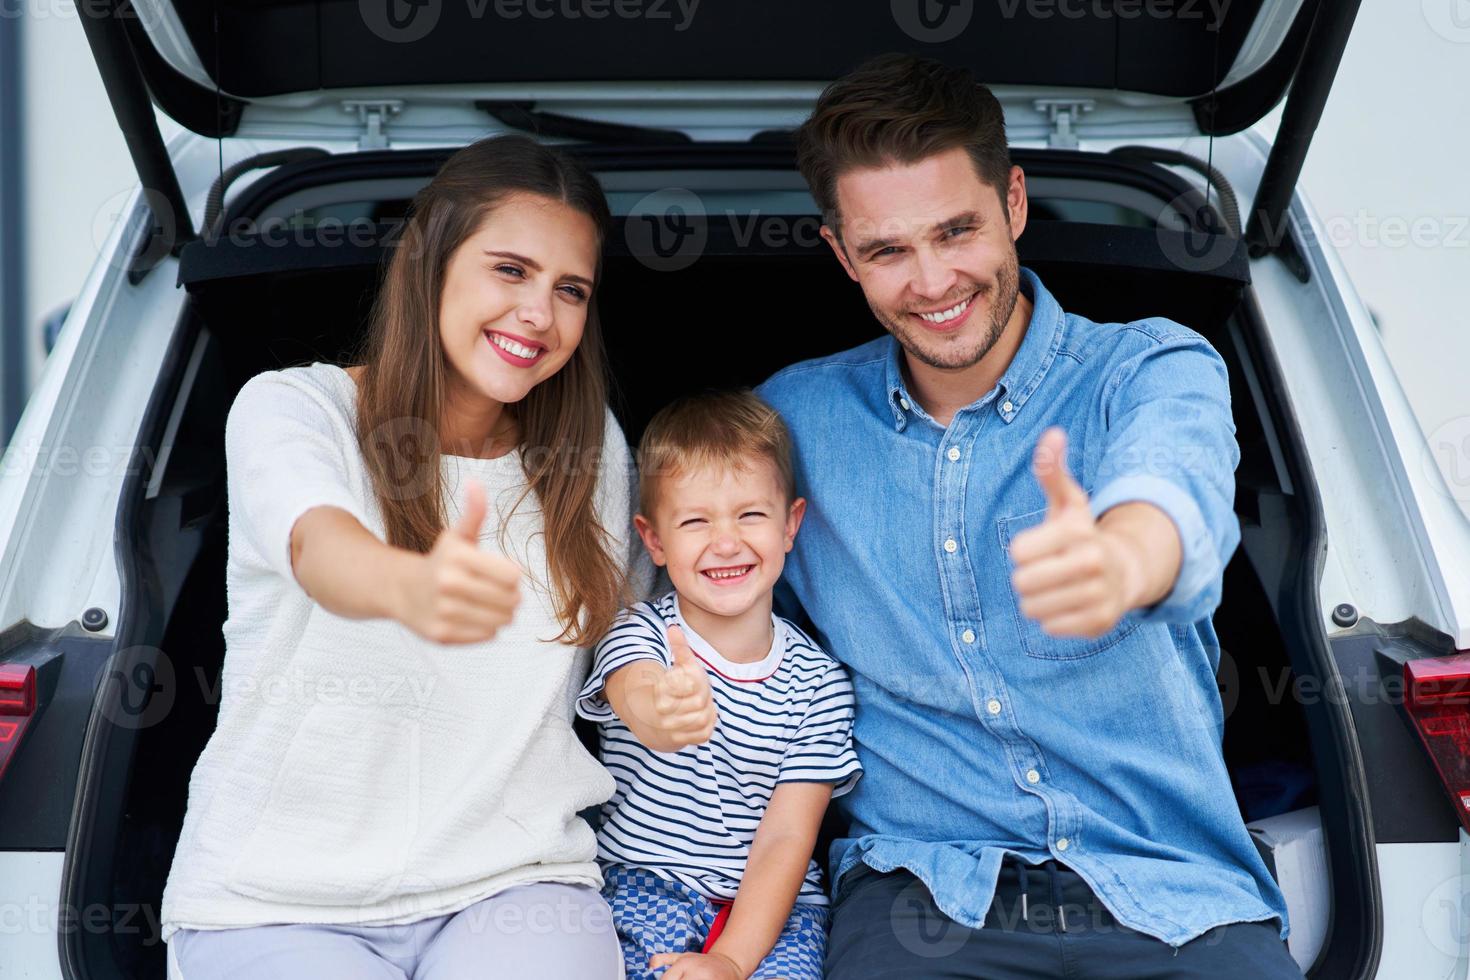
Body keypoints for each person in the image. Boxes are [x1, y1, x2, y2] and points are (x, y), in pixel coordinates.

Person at [755, 54, 1303, 978]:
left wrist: (1124, 562)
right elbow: (692, 584)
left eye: (956, 230)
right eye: (888, 251)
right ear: (843, 255)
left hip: (1173, 891)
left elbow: (1174, 488)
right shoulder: (793, 424)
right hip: (922, 891)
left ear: (1013, 203)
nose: (932, 281)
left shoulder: (1148, 368)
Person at [160, 134, 649, 979]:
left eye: (570, 289)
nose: (540, 312)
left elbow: (621, 634)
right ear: (429, 265)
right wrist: (405, 585)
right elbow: (319, 543)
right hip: (274, 899)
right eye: (510, 270)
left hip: (512, 880)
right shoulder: (293, 409)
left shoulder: (589, 452)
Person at [575, 391, 862, 980]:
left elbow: (787, 837)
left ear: (790, 524)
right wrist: (661, 705)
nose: (726, 542)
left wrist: (731, 959)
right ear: (654, 540)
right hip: (643, 885)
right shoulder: (640, 634)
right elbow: (634, 690)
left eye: (750, 515)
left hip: (778, 909)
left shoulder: (820, 683)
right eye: (695, 521)